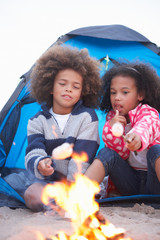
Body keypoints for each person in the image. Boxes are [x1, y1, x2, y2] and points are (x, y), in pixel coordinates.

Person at [22, 44, 102, 211]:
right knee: (31, 196)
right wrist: (40, 164)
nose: (68, 89)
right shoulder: (36, 121)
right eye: (63, 83)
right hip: (49, 182)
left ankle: (71, 202)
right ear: (50, 87)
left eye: (75, 86)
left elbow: (83, 158)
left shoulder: (88, 117)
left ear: (83, 91)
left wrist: (73, 188)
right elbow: (33, 150)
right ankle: (57, 204)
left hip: (77, 182)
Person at [85, 61, 160, 197]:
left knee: (156, 150)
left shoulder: (148, 112)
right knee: (106, 152)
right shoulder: (113, 118)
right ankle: (78, 196)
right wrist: (110, 128)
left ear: (140, 95)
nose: (117, 98)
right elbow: (120, 154)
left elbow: (147, 126)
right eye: (113, 93)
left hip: (154, 183)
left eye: (125, 92)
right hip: (129, 183)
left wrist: (136, 137)